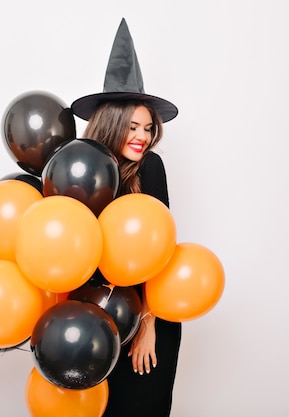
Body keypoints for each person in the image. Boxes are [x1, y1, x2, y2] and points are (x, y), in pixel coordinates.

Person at [71, 18, 181, 417]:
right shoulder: (80, 172)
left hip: (146, 318)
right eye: (133, 126)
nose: (142, 136)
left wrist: (148, 325)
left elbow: (162, 254)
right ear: (112, 123)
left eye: (148, 128)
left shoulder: (150, 169)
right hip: (93, 318)